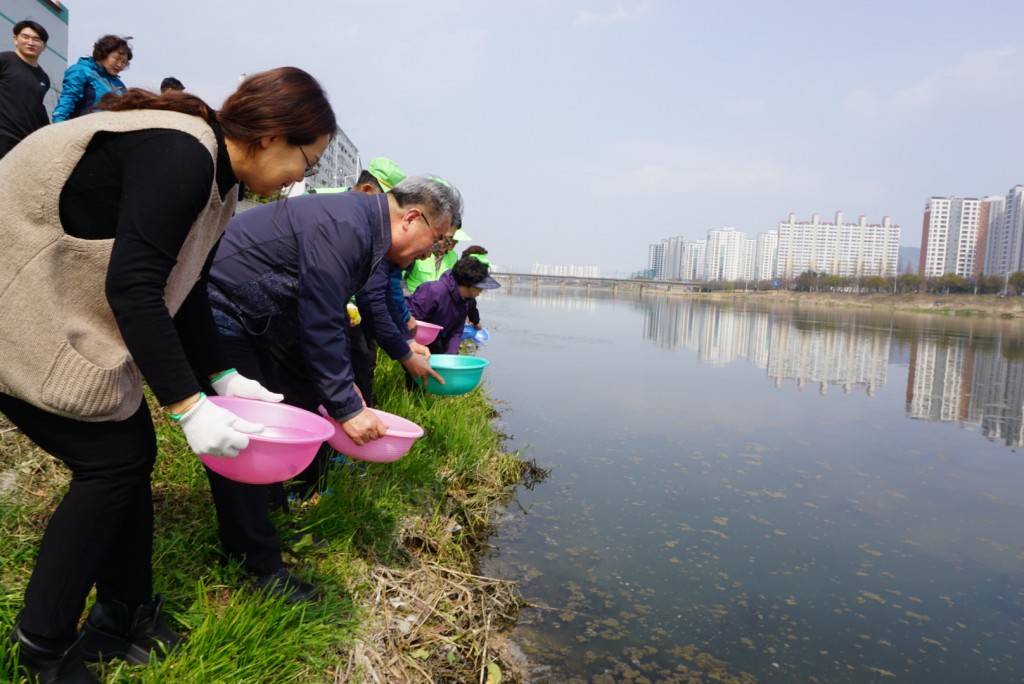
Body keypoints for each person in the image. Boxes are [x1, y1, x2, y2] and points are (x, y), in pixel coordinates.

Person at [0, 66, 336, 683]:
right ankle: (43, 648)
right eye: (305, 162)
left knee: (128, 454)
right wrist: (189, 406)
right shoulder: (181, 153)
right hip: (16, 303)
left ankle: (121, 617)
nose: (300, 180)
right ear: (269, 138)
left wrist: (224, 377)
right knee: (112, 462)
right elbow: (133, 289)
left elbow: (189, 287)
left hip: (57, 307)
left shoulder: (220, 181)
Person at [204, 176, 462, 602]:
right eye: (437, 241)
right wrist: (345, 407)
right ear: (412, 218)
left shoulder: (363, 227)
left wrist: (346, 393)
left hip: (258, 322)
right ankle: (258, 564)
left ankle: (270, 521)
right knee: (244, 436)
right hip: (223, 313)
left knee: (279, 415)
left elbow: (332, 318)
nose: (432, 254)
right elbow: (320, 317)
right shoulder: (349, 227)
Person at [407, 254, 500, 355]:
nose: (482, 290)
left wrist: (452, 357)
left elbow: (456, 331)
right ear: (469, 283)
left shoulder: (466, 301)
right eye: (480, 286)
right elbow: (410, 321)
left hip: (436, 338)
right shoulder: (434, 291)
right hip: (412, 338)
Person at [0, 19, 51, 159]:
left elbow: (39, 109)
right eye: (25, 37)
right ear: (15, 39)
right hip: (2, 135)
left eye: (36, 39)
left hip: (25, 143)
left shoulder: (43, 77)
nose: (30, 42)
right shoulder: (4, 60)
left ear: (44, 46)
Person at [52, 34, 132, 122]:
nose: (120, 65)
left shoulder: (119, 85)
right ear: (103, 54)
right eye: (117, 59)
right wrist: (58, 124)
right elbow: (68, 99)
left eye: (124, 62)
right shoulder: (80, 71)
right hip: (84, 129)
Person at [404, 225, 472, 293]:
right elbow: (400, 278)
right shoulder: (422, 250)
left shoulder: (453, 256)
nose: (456, 242)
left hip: (436, 301)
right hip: (412, 299)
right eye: (453, 238)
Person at [460, 245, 491, 331]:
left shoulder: (468, 295)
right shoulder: (442, 291)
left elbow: (471, 304)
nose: (481, 290)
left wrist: (475, 320)